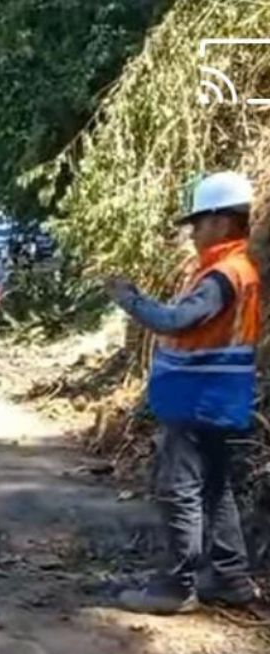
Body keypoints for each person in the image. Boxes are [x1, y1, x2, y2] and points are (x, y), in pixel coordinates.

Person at [106, 171, 262, 614]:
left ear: (222, 221)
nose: (192, 231)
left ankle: (175, 588)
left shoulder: (224, 275)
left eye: (197, 222)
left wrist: (130, 299)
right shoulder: (230, 270)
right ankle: (231, 578)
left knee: (179, 489)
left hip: (199, 399)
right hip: (214, 399)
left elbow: (175, 321)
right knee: (214, 488)